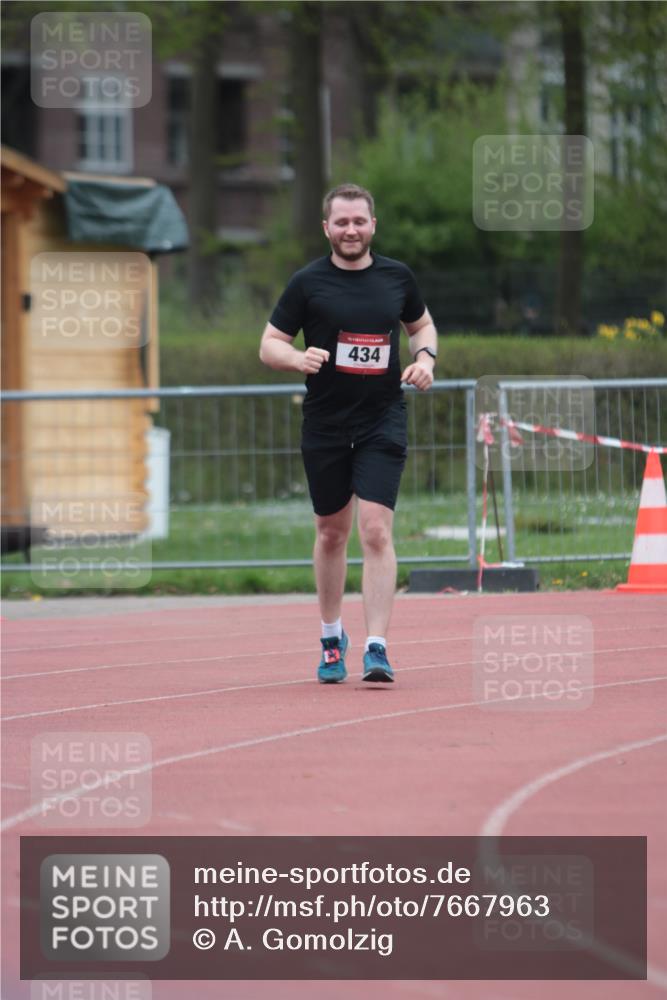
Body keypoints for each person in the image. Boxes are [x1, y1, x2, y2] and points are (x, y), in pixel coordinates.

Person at [259, 183, 438, 685]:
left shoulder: (397, 277)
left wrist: (426, 359)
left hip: (382, 417)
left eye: (359, 221)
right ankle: (331, 637)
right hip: (326, 422)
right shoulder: (307, 283)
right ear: (327, 228)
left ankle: (377, 647)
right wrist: (297, 357)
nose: (351, 230)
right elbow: (269, 344)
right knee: (331, 532)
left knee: (376, 530)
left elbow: (422, 326)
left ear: (373, 225)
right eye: (342, 222)